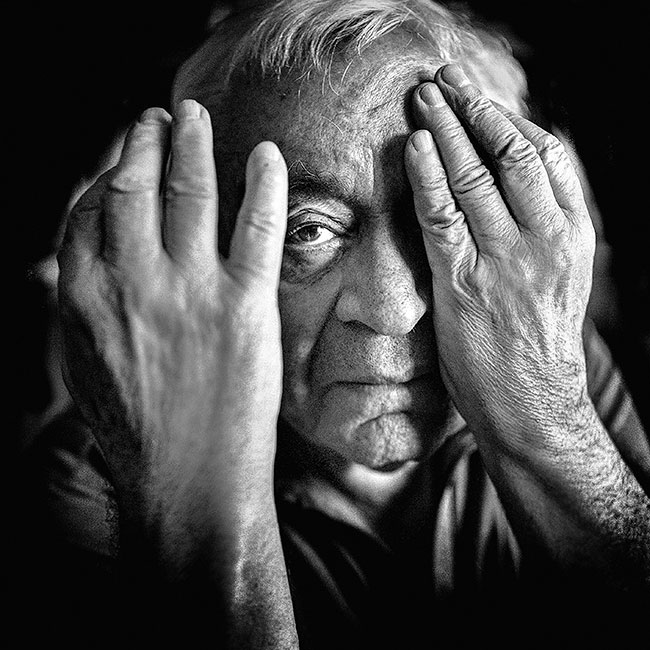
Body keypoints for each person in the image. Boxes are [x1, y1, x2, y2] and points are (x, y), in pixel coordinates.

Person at [13, 1, 650, 648]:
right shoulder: (96, 480)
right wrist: (195, 503)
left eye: (444, 218)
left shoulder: (558, 360)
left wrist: (551, 423)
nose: (392, 312)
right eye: (308, 230)